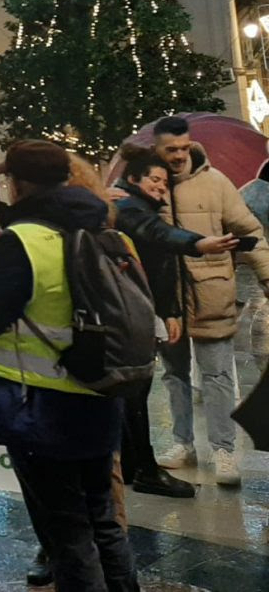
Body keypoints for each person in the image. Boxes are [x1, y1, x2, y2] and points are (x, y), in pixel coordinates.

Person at [0, 139, 139, 592]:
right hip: (100, 395)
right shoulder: (108, 231)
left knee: (66, 535)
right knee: (103, 520)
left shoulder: (24, 240)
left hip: (40, 410)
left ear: (20, 184)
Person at [151, 116, 269, 485]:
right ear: (157, 149)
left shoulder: (216, 183)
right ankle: (183, 443)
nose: (179, 155)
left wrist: (267, 275)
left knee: (217, 375)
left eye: (184, 147)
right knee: (174, 374)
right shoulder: (148, 187)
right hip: (166, 299)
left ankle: (223, 449)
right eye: (171, 149)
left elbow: (250, 231)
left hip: (211, 292)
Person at [112, 148, 237, 498]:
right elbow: (158, 237)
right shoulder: (127, 208)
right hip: (137, 313)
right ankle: (146, 467)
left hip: (169, 308)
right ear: (133, 179)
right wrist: (200, 243)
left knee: (202, 377)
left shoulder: (148, 204)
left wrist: (169, 310)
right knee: (140, 388)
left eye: (165, 183)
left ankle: (140, 465)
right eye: (154, 180)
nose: (161, 187)